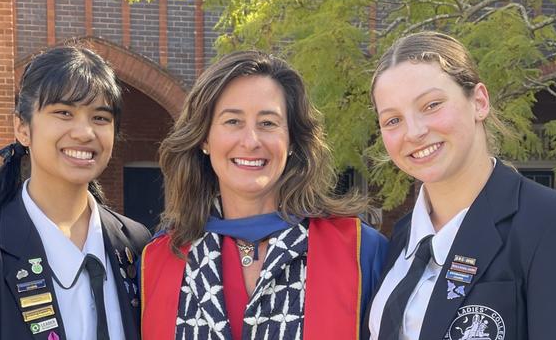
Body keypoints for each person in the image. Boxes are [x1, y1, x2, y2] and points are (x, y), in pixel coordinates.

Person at [139, 50, 387, 340]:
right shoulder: (158, 259)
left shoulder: (359, 250)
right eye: (233, 122)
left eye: (268, 123)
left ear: (292, 139)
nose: (251, 141)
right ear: (204, 138)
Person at [367, 31, 556, 340]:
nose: (413, 132)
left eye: (431, 105)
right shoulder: (401, 239)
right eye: (392, 120)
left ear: (479, 102)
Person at [0, 46, 152, 340]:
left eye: (100, 118)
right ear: (22, 128)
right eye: (64, 113)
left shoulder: (137, 244)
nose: (84, 132)